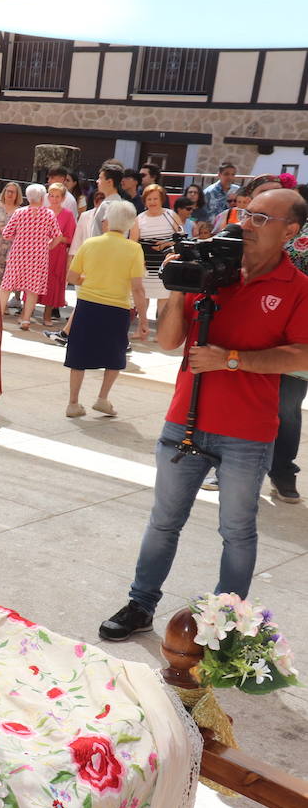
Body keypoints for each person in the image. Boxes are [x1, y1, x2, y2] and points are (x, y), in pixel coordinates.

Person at [99, 188, 308, 641]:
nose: (247, 224)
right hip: (184, 422)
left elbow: (301, 355)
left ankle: (223, 623)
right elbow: (171, 341)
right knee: (163, 521)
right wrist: (182, 289)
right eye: (246, 214)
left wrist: (232, 359)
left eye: (261, 219)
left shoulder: (297, 288)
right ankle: (140, 604)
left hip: (247, 433)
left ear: (290, 232)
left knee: (237, 531)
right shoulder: (215, 272)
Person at [63, 200, 148, 417]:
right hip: (117, 308)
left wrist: (90, 281)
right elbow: (138, 288)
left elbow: (72, 277)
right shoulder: (134, 249)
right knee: (115, 355)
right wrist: (144, 321)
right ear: (130, 224)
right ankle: (102, 398)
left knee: (78, 353)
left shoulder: (91, 243)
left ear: (107, 220)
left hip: (88, 305)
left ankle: (73, 402)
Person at [0, 184, 63, 331]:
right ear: (42, 197)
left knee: (6, 287)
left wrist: (19, 237)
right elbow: (58, 237)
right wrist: (48, 246)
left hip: (18, 254)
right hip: (38, 257)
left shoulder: (19, 213)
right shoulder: (49, 214)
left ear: (28, 197)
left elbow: (6, 234)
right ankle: (26, 320)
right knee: (32, 290)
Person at [40, 182, 75, 326]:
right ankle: (27, 313)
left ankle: (47, 316)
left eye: (57, 196)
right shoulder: (43, 210)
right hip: (41, 252)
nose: (54, 199)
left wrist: (58, 239)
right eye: (51, 195)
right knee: (36, 280)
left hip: (58, 253)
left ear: (63, 198)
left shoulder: (68, 215)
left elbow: (71, 237)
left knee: (53, 283)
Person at [0, 181, 23, 270]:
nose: (10, 194)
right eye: (8, 191)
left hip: (10, 250)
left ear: (17, 195)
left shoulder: (20, 211)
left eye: (13, 192)